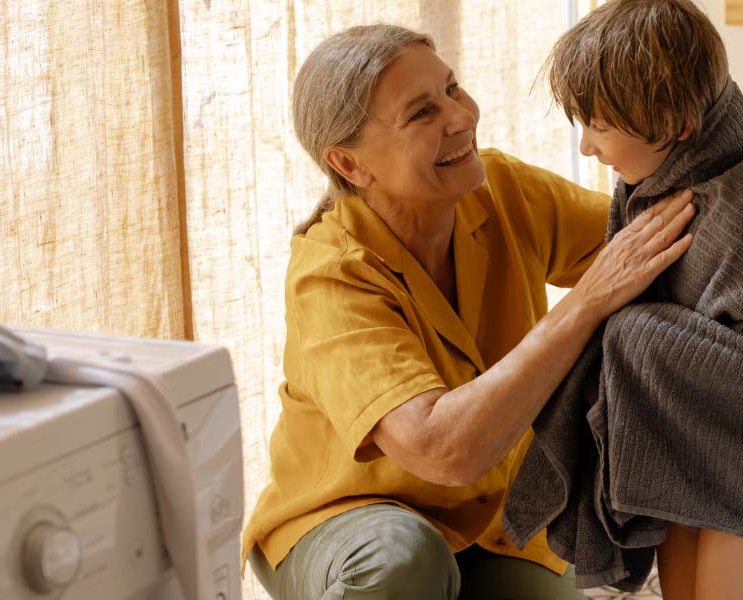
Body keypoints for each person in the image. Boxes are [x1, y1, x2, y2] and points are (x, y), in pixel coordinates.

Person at [241, 23, 695, 600]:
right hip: (343, 519)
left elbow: (655, 242)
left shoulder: (504, 190)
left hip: (490, 522)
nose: (461, 117)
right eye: (421, 113)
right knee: (402, 564)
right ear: (350, 166)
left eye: (452, 89)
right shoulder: (332, 274)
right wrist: (585, 304)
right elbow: (440, 448)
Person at [503, 1, 743, 599]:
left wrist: (635, 331)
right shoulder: (656, 187)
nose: (587, 149)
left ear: (677, 126)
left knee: (630, 328)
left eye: (599, 126)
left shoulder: (741, 207)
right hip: (684, 444)